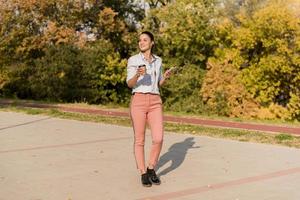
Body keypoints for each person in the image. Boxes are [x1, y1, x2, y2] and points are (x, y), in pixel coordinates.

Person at [126, 31, 172, 187]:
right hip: (138, 100)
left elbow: (158, 83)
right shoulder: (133, 60)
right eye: (140, 40)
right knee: (140, 139)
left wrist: (165, 77)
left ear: (152, 42)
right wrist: (138, 75)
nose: (141, 42)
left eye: (145, 40)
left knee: (158, 138)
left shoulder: (158, 61)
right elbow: (130, 84)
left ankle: (151, 167)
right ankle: (143, 172)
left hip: (155, 101)